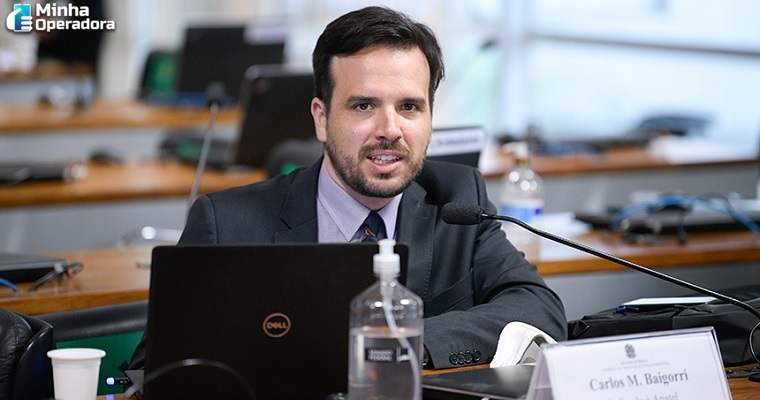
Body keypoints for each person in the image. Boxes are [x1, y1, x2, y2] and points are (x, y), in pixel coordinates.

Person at [130, 5, 566, 370]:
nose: (390, 129)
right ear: (321, 119)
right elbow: (155, 369)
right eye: (364, 106)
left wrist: (397, 343)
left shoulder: (457, 199)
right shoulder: (226, 223)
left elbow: (538, 309)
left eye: (409, 107)